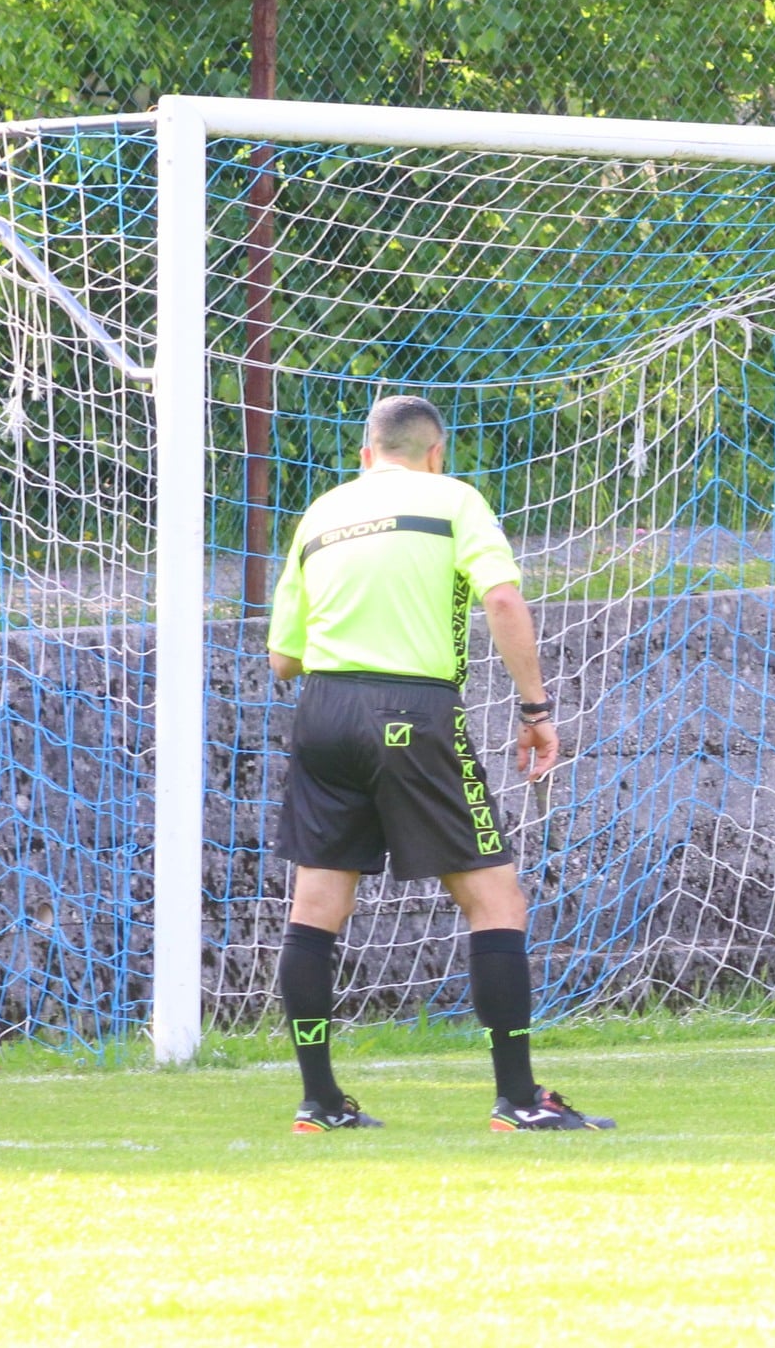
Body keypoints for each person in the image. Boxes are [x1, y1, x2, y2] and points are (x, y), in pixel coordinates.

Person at [266, 396, 613, 1132]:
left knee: (315, 908)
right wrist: (535, 710)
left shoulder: (321, 514)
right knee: (496, 901)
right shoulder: (452, 499)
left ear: (366, 455)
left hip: (322, 712)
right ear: (435, 452)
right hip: (413, 713)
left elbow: (283, 658)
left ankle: (319, 1102)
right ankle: (519, 1099)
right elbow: (502, 600)